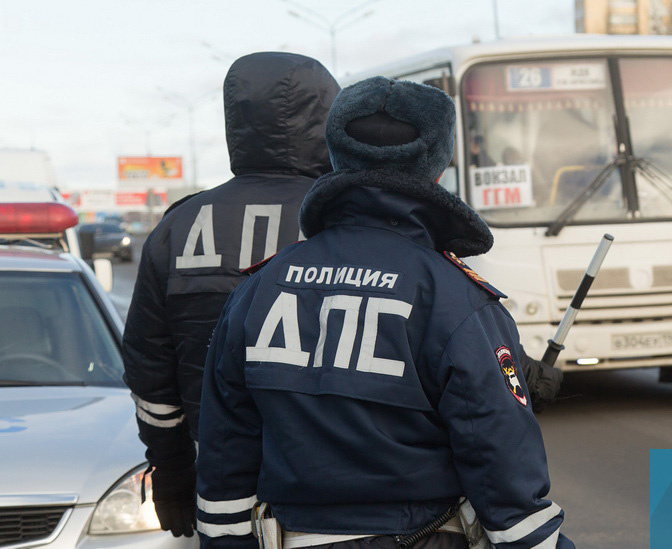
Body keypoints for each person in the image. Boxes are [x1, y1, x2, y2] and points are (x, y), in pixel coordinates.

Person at [196, 76, 574, 549]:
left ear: (336, 155)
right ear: (438, 167)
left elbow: (224, 448)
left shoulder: (261, 286)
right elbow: (500, 461)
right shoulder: (454, 296)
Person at [121, 52, 340, 538]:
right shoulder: (346, 219)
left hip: (219, 480)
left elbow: (150, 371)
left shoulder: (178, 226)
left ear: (236, 121)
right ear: (327, 116)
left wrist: (172, 472)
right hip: (340, 481)